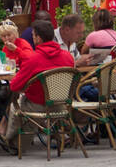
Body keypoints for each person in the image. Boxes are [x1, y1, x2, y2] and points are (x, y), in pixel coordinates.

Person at [4, 17, 74, 145]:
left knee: (16, 105)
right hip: (62, 104)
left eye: (33, 36)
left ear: (38, 38)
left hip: (39, 104)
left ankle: (10, 141)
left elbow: (14, 86)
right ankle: (16, 143)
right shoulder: (68, 56)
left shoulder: (33, 59)